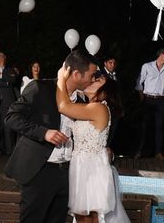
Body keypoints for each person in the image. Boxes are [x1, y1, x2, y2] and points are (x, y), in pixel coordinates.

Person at [5, 50, 98, 223]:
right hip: (39, 170)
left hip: (67, 173)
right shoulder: (40, 88)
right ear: (76, 74)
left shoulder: (82, 102)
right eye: (91, 75)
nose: (93, 79)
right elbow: (11, 117)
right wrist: (43, 133)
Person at [55, 64, 130, 223]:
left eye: (98, 81)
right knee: (82, 216)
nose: (92, 81)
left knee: (91, 216)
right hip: (81, 165)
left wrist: (61, 79)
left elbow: (63, 106)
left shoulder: (99, 108)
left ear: (104, 91)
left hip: (92, 168)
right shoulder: (88, 106)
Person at [134, 48, 164, 160]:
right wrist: (141, 96)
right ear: (161, 55)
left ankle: (158, 153)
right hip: (148, 99)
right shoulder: (147, 66)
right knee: (145, 126)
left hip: (161, 100)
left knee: (160, 127)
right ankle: (139, 151)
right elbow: (139, 81)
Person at [0, 51, 21, 155]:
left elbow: (12, 80)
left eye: (3, 55)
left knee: (8, 128)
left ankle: (9, 150)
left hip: (7, 102)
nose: (1, 56)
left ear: (5, 58)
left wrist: (1, 75)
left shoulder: (11, 70)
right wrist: (6, 82)